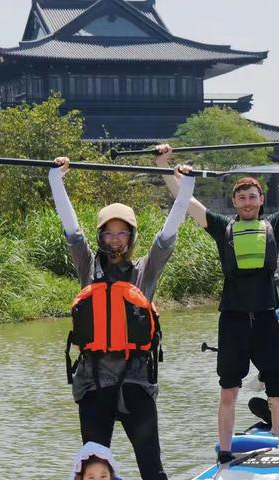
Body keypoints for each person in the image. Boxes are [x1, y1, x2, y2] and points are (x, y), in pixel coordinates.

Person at [157, 136, 279, 479]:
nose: (247, 201)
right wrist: (164, 166)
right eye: (241, 197)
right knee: (228, 392)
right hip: (233, 321)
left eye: (252, 197)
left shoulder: (275, 225)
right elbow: (184, 199)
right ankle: (224, 461)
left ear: (261, 200)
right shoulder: (223, 227)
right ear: (234, 201)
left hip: (267, 320)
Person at [49, 147, 195, 480]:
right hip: (93, 383)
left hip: (135, 382)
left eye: (122, 232)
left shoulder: (145, 271)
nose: (115, 239)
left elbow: (168, 236)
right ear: (101, 236)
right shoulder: (88, 267)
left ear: (130, 236)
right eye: (109, 232)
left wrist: (185, 188)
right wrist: (55, 180)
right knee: (95, 470)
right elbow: (72, 232)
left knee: (151, 468)